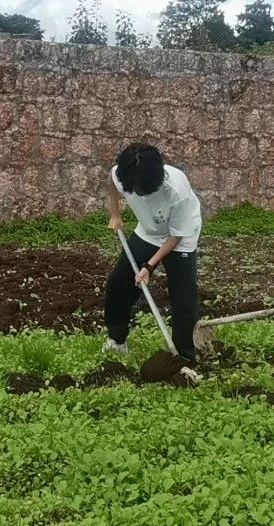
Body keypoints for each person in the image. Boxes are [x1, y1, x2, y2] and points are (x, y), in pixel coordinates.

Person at [102, 143, 203, 375]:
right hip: (148, 232)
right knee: (119, 283)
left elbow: (176, 236)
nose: (141, 193)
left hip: (181, 237)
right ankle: (117, 341)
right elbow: (112, 185)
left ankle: (184, 358)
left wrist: (149, 265)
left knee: (183, 297)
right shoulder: (123, 174)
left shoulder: (176, 189)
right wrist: (115, 215)